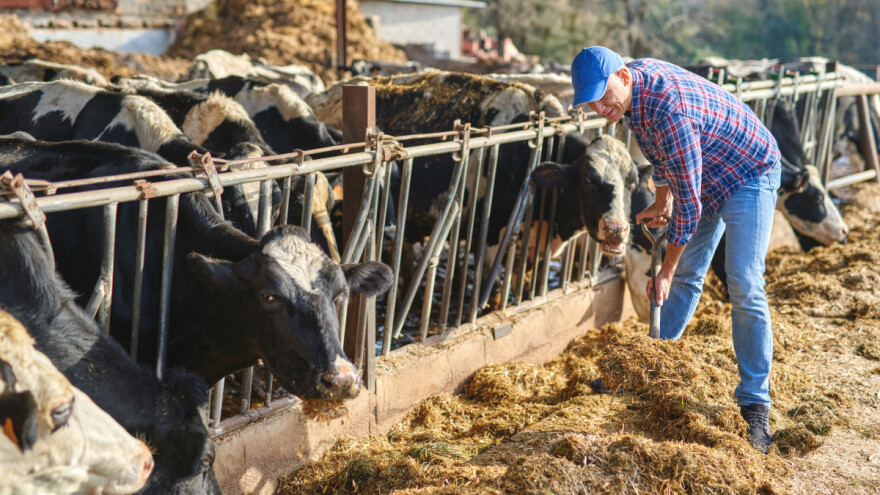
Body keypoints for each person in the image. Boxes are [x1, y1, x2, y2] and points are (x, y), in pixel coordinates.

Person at [571, 46, 781, 453]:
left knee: (743, 281)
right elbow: (662, 156)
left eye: (603, 94)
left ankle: (755, 405)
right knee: (687, 275)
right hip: (707, 174)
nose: (599, 107)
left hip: (748, 171)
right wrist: (661, 200)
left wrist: (664, 269)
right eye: (590, 100)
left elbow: (690, 206)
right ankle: (643, 370)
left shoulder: (668, 109)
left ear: (624, 76)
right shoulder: (633, 100)